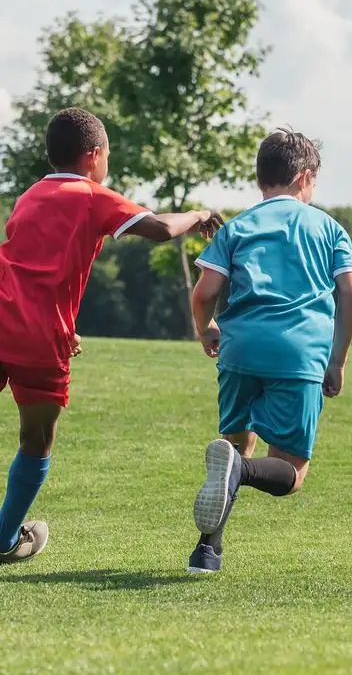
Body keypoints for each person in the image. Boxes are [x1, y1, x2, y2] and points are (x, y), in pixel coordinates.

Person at [0, 107, 223, 565]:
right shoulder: (90, 195)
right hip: (36, 338)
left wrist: (63, 322)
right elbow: (160, 228)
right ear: (95, 155)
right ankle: (5, 538)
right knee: (36, 439)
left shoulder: (29, 196)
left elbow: (28, 269)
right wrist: (199, 213)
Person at [187, 127, 352, 574]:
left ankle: (207, 551)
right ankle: (241, 475)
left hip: (240, 348)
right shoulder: (328, 228)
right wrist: (338, 359)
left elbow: (205, 291)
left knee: (234, 447)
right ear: (304, 177)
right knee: (291, 474)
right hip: (298, 353)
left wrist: (205, 328)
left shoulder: (238, 227)